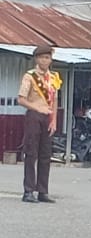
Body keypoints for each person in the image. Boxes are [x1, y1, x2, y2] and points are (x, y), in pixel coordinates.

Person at [17, 44, 60, 203]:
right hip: (34, 116)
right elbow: (21, 99)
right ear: (36, 59)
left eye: (47, 57)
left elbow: (55, 100)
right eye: (42, 57)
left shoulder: (54, 77)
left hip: (47, 117)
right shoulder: (30, 76)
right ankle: (28, 191)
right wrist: (36, 108)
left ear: (51, 59)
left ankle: (43, 191)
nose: (45, 60)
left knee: (45, 155)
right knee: (31, 153)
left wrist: (54, 120)